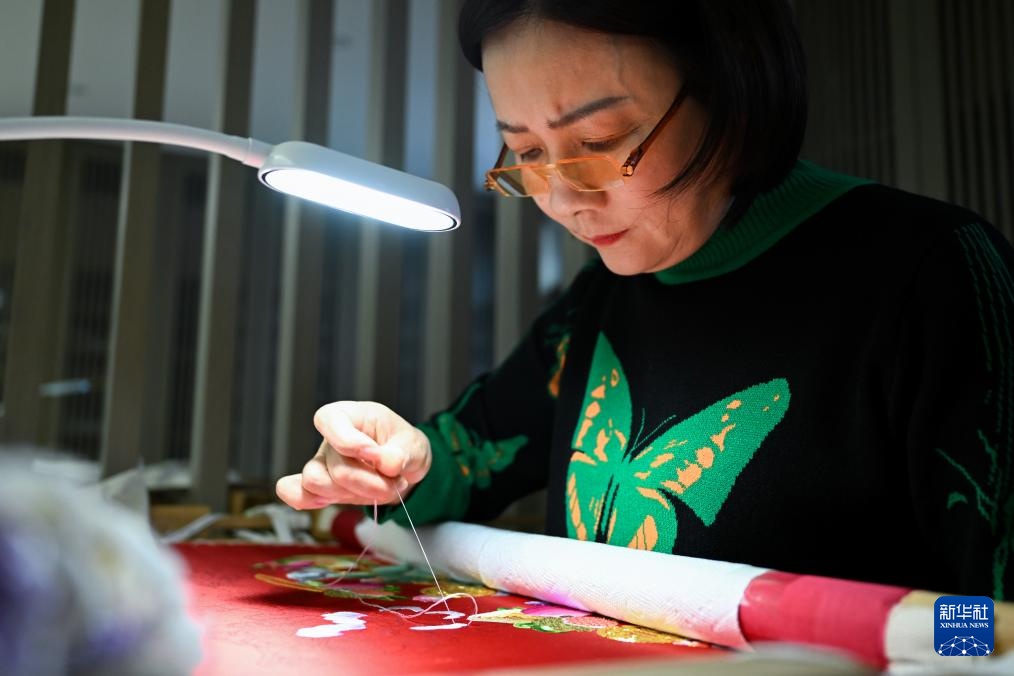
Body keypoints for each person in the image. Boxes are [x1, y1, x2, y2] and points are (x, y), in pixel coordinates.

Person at [277, 0, 1014, 600]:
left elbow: (996, 627)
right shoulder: (592, 308)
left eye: (599, 139)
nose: (564, 200)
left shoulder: (934, 274)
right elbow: (464, 462)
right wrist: (394, 458)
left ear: (732, 87)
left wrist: (934, 653)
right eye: (526, 153)